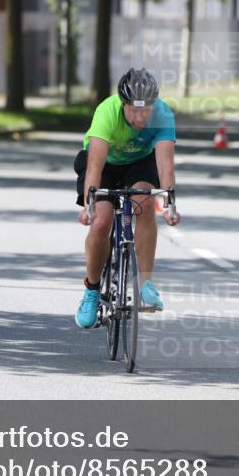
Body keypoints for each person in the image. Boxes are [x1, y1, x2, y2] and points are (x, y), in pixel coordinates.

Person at [74, 68, 181, 328]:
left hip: (140, 163)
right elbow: (95, 167)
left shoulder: (163, 115)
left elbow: (165, 166)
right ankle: (92, 291)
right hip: (105, 165)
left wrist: (170, 205)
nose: (140, 117)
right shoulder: (107, 112)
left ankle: (145, 284)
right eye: (134, 110)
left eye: (146, 110)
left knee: (145, 202)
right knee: (101, 221)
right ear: (123, 104)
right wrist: (89, 205)